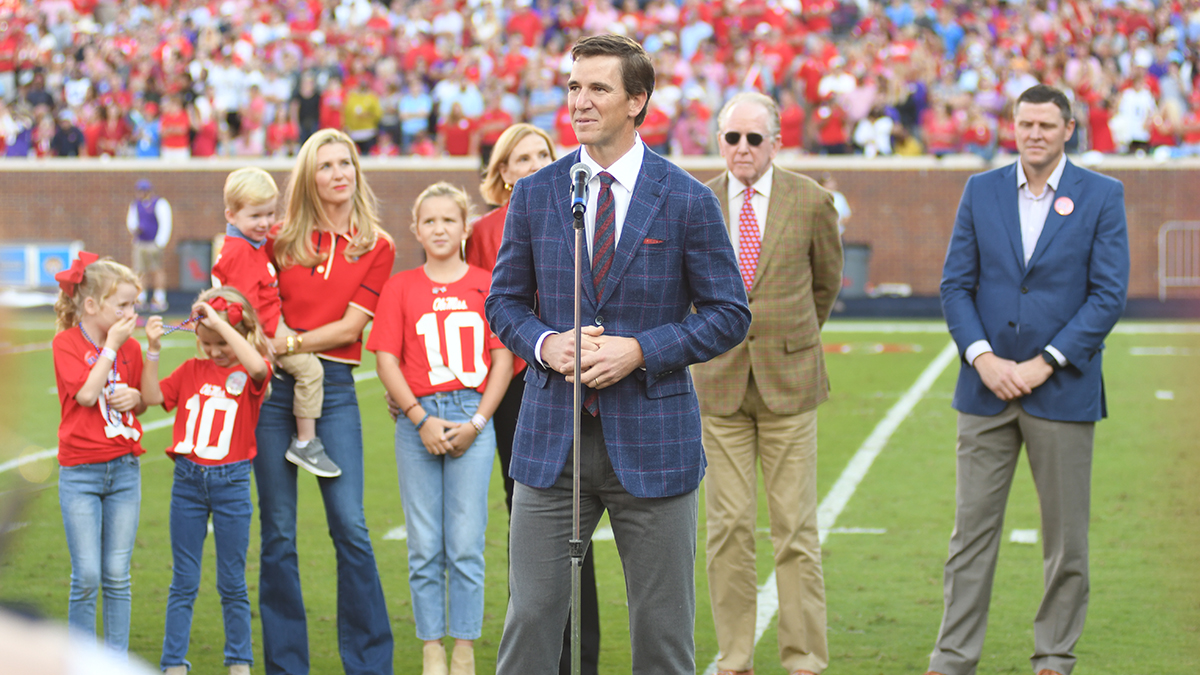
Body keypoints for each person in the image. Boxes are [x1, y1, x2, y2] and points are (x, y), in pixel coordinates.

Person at [485, 34, 751, 674]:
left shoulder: (686, 196)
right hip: (551, 443)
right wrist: (547, 344)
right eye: (574, 87)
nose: (580, 100)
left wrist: (643, 350)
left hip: (656, 442)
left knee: (662, 638)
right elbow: (503, 304)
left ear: (638, 101)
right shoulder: (536, 193)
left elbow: (729, 313)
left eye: (597, 88)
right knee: (530, 625)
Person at [929, 84, 1129, 675]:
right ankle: (952, 658)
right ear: (1012, 127)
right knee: (969, 538)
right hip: (985, 391)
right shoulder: (981, 189)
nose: (1034, 133)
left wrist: (1046, 361)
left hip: (1062, 392)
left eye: (1047, 124)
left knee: (1066, 543)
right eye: (1025, 124)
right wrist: (983, 358)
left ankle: (1054, 657)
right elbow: (954, 286)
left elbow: (1108, 294)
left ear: (1069, 128)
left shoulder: (1102, 195)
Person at [692, 92, 843, 675]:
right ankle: (734, 656)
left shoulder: (811, 200)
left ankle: (803, 657)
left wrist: (791, 340)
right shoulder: (697, 203)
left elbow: (826, 286)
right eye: (732, 138)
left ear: (776, 143)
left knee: (796, 529)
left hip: (790, 383)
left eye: (754, 138)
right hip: (719, 388)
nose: (743, 149)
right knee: (727, 528)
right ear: (720, 142)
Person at [255, 129, 396, 675]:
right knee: (279, 535)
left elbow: (349, 328)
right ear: (308, 176)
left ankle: (369, 664)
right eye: (326, 165)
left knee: (350, 527)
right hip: (273, 396)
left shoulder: (376, 246)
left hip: (333, 392)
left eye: (347, 163)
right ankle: (286, 666)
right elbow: (254, 303)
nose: (339, 173)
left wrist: (287, 341)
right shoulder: (279, 237)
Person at [465, 123, 603, 675]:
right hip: (513, 384)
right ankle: (543, 655)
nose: (533, 164)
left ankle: (581, 658)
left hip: (571, 379)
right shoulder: (483, 231)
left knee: (579, 518)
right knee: (530, 527)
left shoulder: (577, 214)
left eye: (542, 154)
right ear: (501, 174)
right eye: (520, 158)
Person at [369, 183, 513, 675]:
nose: (439, 229)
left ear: (464, 226)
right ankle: (431, 643)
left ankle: (464, 646)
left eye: (448, 220)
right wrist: (419, 418)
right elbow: (386, 358)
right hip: (419, 418)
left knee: (467, 542)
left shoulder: (486, 282)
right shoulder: (401, 286)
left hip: (472, 414)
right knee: (425, 543)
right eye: (429, 221)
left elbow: (501, 358)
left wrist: (478, 421)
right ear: (415, 229)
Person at [141, 288, 272, 675]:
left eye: (222, 342)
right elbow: (150, 397)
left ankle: (239, 661)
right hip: (188, 482)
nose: (215, 351)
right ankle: (173, 663)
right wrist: (152, 349)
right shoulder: (190, 372)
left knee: (232, 582)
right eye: (207, 343)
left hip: (231, 483)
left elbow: (261, 368)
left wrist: (223, 326)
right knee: (183, 581)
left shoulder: (248, 370)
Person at [212, 167, 340, 477]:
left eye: (270, 213)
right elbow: (245, 305)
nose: (266, 223)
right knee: (311, 370)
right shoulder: (241, 251)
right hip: (266, 330)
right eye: (255, 216)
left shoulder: (249, 245)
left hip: (270, 324)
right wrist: (262, 344)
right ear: (231, 215)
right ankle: (306, 442)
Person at [50, 252, 147, 655]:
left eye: (134, 305)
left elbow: (140, 405)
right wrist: (110, 347)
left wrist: (137, 396)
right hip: (81, 473)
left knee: (117, 575)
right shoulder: (67, 343)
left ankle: (117, 660)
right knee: (87, 575)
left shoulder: (132, 349)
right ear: (91, 306)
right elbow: (88, 394)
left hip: (124, 469)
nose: (132, 313)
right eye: (122, 305)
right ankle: (82, 659)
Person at [126, 179, 172, 312]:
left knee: (157, 269)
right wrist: (135, 230)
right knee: (140, 270)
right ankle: (141, 297)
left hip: (153, 243)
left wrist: (160, 242)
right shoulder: (135, 204)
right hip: (141, 242)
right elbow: (131, 222)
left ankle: (159, 298)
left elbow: (165, 223)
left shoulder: (159, 203)